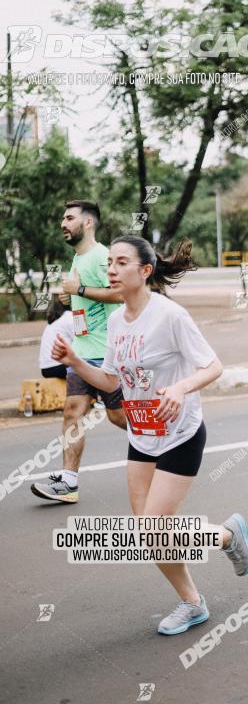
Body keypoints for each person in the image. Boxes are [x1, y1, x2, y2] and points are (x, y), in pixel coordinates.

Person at [49, 235, 248, 636]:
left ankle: (228, 535)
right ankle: (193, 602)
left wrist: (179, 389)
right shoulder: (113, 322)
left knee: (155, 526)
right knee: (147, 534)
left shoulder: (168, 316)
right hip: (142, 433)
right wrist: (74, 360)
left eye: (121, 262)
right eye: (109, 262)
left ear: (144, 271)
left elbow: (212, 367)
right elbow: (110, 380)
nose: (111, 269)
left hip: (180, 432)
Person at [31, 201, 127, 504]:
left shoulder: (101, 257)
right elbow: (88, 300)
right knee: (72, 411)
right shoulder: (78, 259)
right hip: (81, 352)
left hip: (107, 353)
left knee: (118, 416)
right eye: (62, 217)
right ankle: (68, 482)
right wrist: (71, 297)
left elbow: (119, 293)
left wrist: (79, 290)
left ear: (87, 223)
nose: (63, 222)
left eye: (69, 218)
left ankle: (166, 441)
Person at [39, 299, 74, 381]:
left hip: (45, 369)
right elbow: (80, 339)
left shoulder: (53, 322)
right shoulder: (69, 316)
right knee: (89, 367)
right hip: (59, 366)